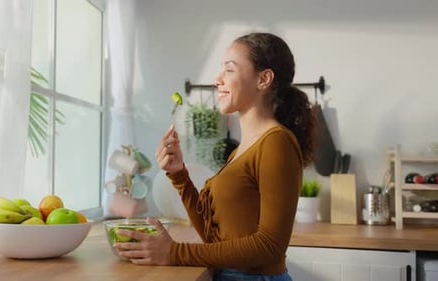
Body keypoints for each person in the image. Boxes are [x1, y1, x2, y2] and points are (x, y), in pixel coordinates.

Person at [113, 32, 317, 281]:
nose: (217, 79)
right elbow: (215, 235)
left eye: (229, 70)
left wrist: (175, 252)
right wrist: (179, 175)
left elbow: (269, 247)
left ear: (264, 79)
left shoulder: (277, 143)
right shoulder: (241, 150)